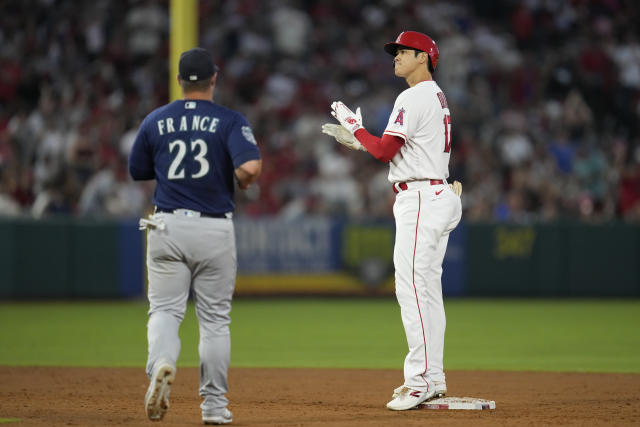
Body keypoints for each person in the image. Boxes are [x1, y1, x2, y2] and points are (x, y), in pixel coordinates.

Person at [322, 31, 462, 411]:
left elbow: (385, 151)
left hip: (419, 198)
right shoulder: (436, 96)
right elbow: (394, 148)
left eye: (403, 52)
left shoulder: (413, 95)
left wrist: (355, 127)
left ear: (424, 57)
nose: (396, 57)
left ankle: (419, 381)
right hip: (436, 192)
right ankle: (433, 377)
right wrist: (362, 139)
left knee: (413, 289)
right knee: (427, 292)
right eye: (395, 52)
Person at [128, 47, 262, 424]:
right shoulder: (229, 120)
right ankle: (215, 409)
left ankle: (162, 363)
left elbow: (137, 169)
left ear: (178, 80)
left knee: (165, 311)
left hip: (167, 225)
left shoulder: (156, 119)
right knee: (215, 322)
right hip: (213, 227)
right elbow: (250, 167)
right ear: (214, 78)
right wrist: (242, 179)